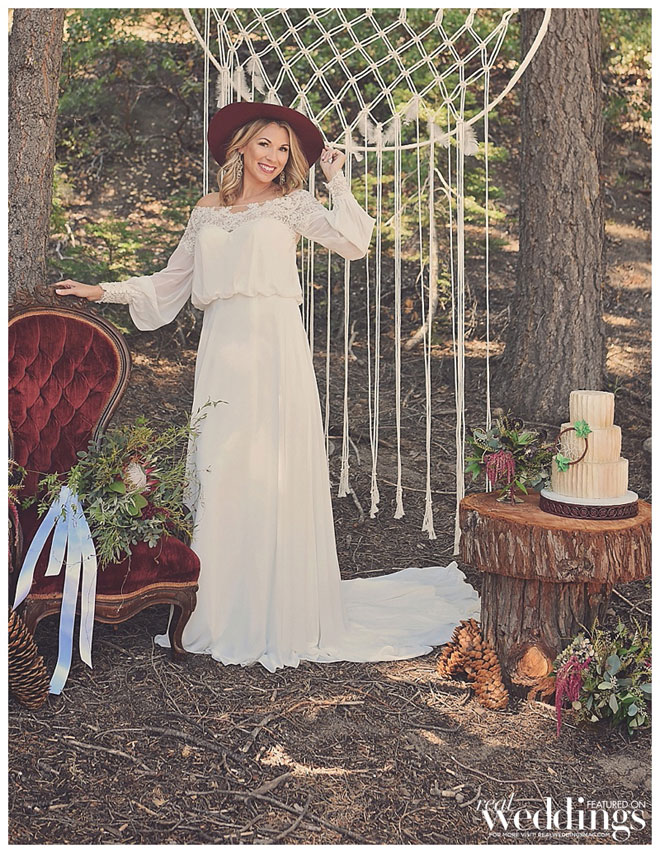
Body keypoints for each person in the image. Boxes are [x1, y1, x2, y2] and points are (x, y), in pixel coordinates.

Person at [56, 101, 480, 672]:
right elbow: (171, 281)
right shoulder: (207, 209)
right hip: (222, 349)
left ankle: (279, 609)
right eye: (265, 144)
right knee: (222, 464)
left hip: (275, 347)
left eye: (284, 150)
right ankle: (219, 604)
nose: (274, 157)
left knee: (273, 465)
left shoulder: (292, 204)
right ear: (241, 145)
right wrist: (103, 291)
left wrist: (337, 181)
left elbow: (353, 243)